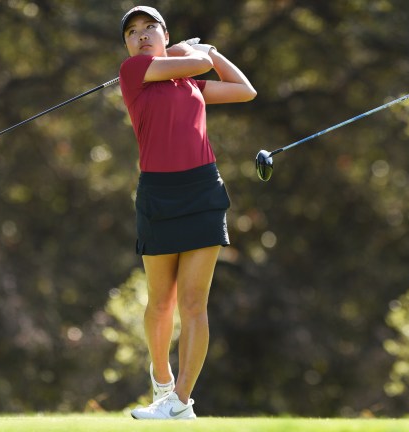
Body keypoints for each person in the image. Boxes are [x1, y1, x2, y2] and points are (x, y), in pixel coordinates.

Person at [117, 6, 256, 420]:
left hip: (203, 190)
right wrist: (196, 51)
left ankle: (180, 400)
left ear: (164, 33)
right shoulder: (133, 73)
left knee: (194, 304)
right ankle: (161, 381)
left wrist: (205, 54)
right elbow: (199, 60)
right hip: (159, 194)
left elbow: (244, 89)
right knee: (161, 301)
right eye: (132, 32)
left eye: (150, 28)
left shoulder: (190, 83)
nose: (141, 36)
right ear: (127, 46)